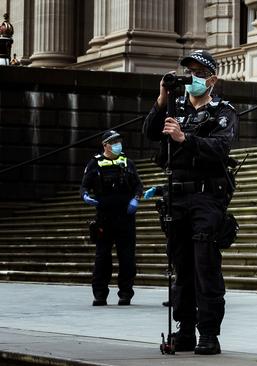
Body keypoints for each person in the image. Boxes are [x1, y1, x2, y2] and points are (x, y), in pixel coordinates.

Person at [142, 50, 238, 355]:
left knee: (205, 267)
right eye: (189, 72)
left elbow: (221, 148)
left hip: (207, 196)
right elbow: (149, 133)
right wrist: (161, 100)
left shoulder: (223, 111)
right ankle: (184, 330)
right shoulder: (175, 108)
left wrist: (185, 139)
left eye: (198, 72)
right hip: (177, 197)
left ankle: (208, 333)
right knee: (180, 267)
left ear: (212, 79)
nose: (192, 78)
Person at [80, 130, 143, 306]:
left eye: (119, 141)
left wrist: (135, 200)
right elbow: (84, 186)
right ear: (105, 145)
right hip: (104, 217)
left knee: (127, 257)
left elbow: (138, 186)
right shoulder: (95, 164)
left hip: (126, 217)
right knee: (102, 257)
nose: (118, 144)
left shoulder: (127, 163)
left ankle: (125, 293)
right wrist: (85, 196)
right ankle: (100, 294)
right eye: (114, 142)